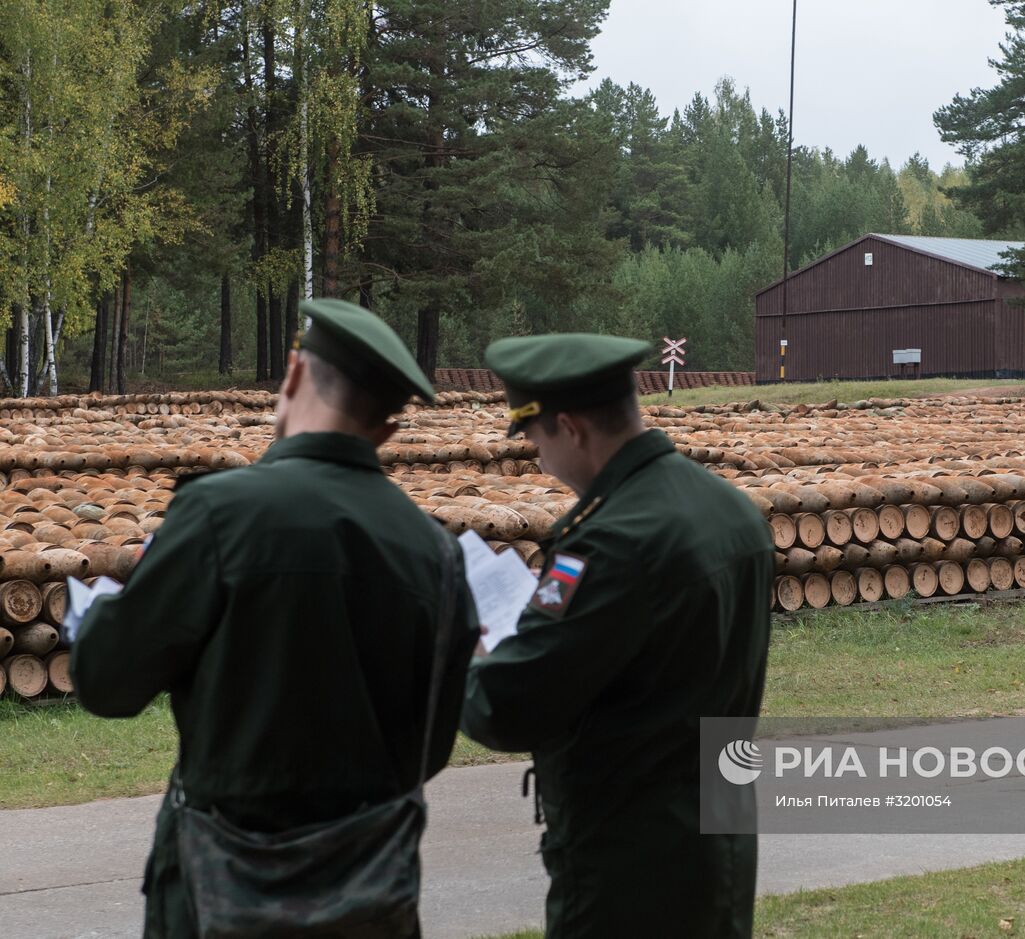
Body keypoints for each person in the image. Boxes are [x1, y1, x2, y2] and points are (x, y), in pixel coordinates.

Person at [71, 298, 477, 938]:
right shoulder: (437, 553)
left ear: (290, 377)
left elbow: (107, 684)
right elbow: (431, 746)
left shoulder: (217, 515)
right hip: (370, 894)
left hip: (218, 890)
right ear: (389, 433)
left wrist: (94, 621)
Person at [460, 333, 773, 938]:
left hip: (631, 863)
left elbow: (507, 706)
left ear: (571, 427)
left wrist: (471, 652)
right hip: (717, 835)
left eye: (535, 437)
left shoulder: (610, 541)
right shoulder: (726, 507)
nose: (538, 458)